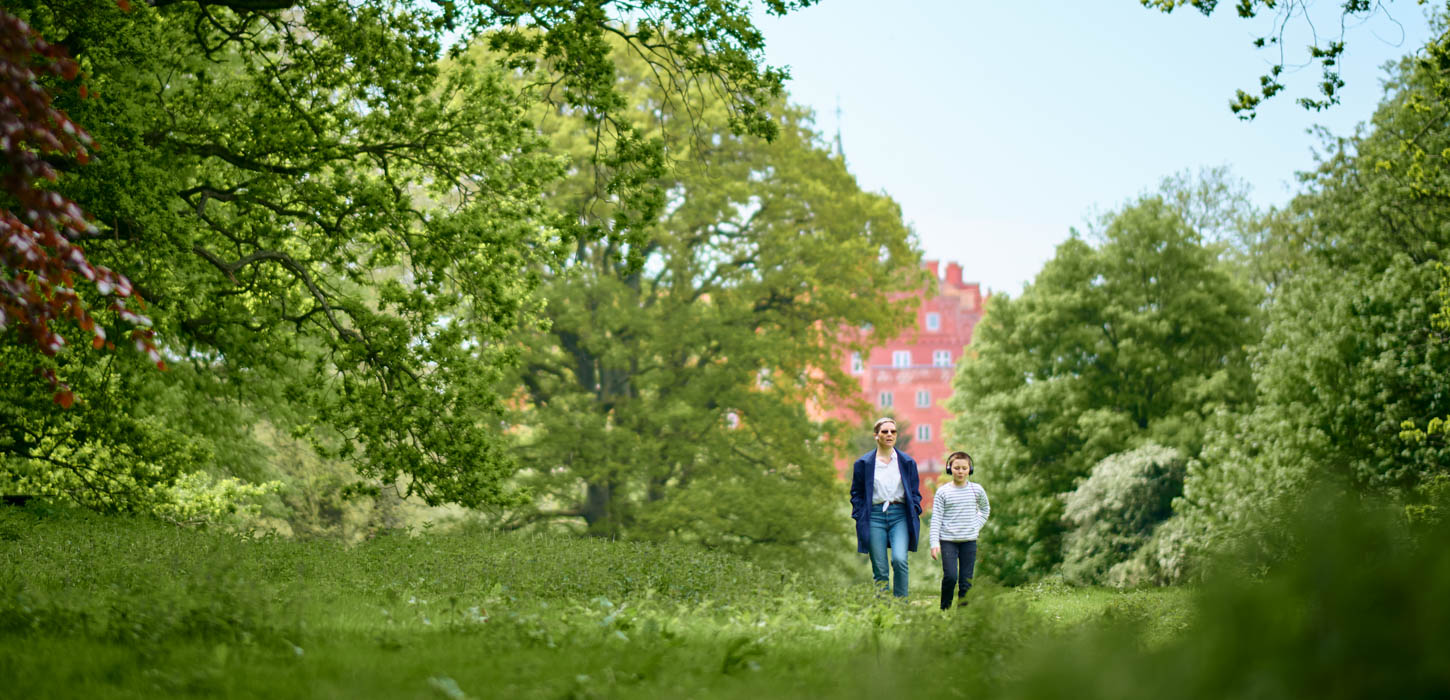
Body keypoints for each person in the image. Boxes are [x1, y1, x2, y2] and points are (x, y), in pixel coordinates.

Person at [850, 417, 922, 598]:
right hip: (874, 516)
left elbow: (915, 492)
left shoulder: (907, 462)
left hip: (900, 515)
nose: (889, 435)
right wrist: (860, 514)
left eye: (893, 431)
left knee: (899, 560)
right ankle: (882, 609)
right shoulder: (863, 464)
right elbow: (856, 493)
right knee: (880, 568)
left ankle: (901, 608)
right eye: (884, 431)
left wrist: (915, 509)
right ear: (876, 436)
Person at [929, 450, 990, 609]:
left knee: (966, 581)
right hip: (948, 540)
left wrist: (976, 525)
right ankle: (945, 608)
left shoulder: (977, 490)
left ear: (970, 469)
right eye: (957, 468)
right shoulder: (943, 492)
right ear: (950, 469)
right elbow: (936, 518)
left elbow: (985, 509)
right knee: (950, 576)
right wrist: (934, 543)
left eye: (964, 468)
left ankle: (962, 614)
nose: (960, 471)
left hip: (968, 541)